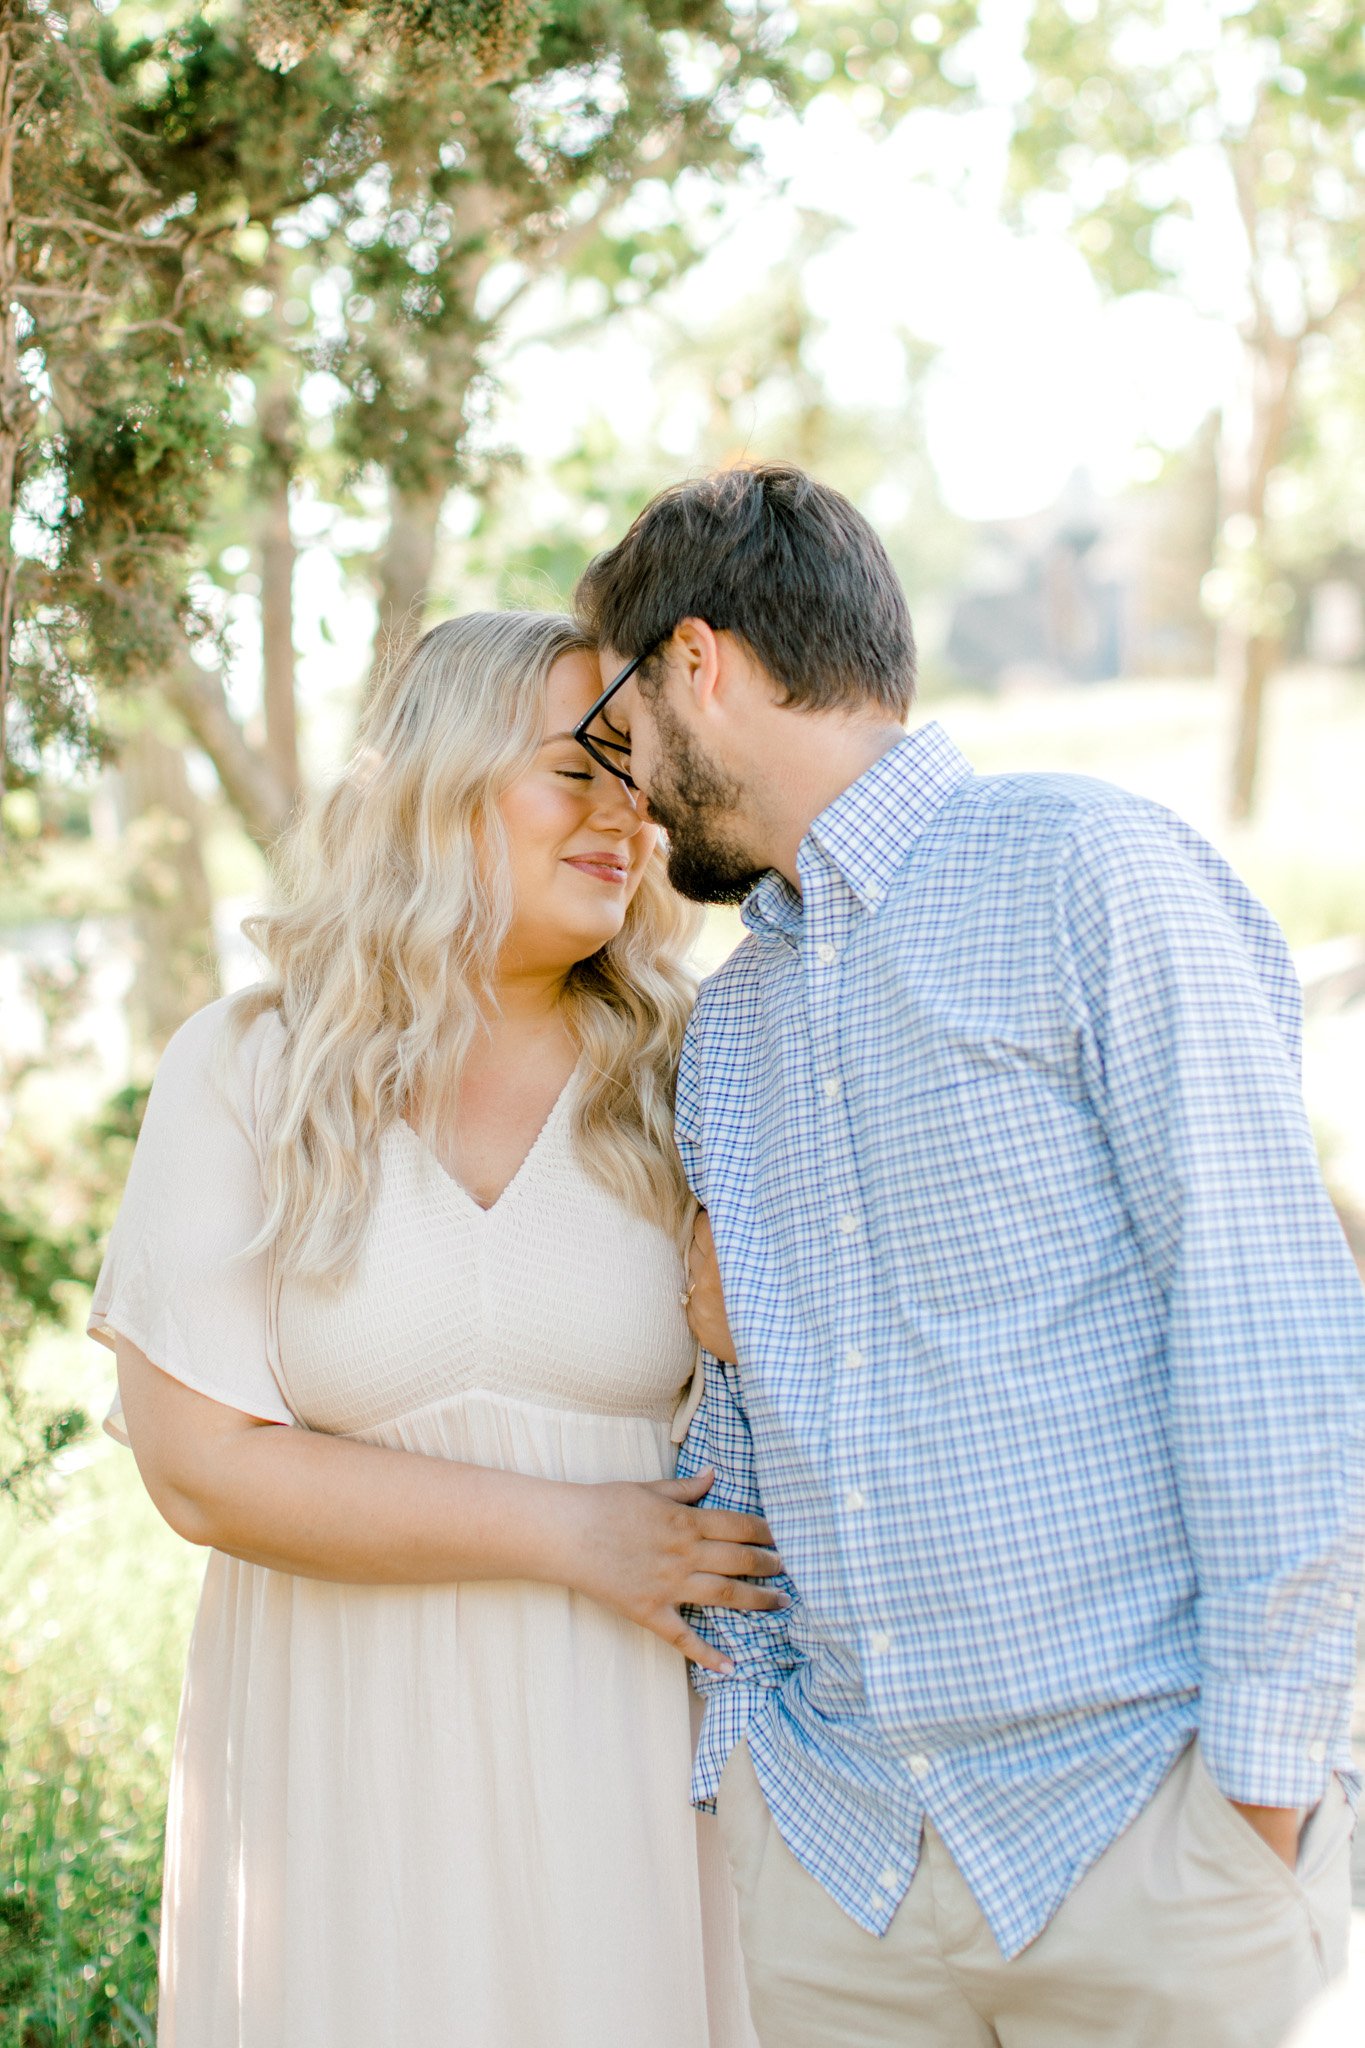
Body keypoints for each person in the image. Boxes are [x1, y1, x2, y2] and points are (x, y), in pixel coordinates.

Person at [571, 464, 1365, 2048]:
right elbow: (746, 1415)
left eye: (620, 724)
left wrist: (1261, 1794)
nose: (630, 788)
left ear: (697, 664)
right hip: (842, 1872)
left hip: (1144, 1840)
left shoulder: (1090, 870)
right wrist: (749, 1737)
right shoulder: (731, 1027)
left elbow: (1267, 1324)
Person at [90, 611, 775, 2048]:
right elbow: (201, 1470)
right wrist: (581, 1534)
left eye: (636, 774)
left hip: (628, 1766)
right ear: (437, 787)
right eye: (573, 770)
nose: (624, 812)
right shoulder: (250, 1068)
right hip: (339, 1773)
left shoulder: (697, 1070)